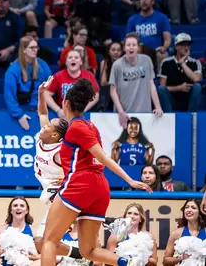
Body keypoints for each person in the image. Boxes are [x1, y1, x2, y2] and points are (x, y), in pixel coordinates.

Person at [39, 78, 151, 266]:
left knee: (48, 240)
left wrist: (130, 180)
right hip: (99, 187)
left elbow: (104, 158)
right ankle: (126, 262)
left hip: (80, 182)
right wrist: (41, 94)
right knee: (88, 250)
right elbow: (43, 114)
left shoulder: (75, 129)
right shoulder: (89, 126)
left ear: (65, 103)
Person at [33, 76, 83, 262]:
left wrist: (64, 184)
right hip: (51, 192)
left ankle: (110, 222)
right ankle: (81, 255)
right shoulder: (43, 137)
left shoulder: (60, 151)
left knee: (45, 243)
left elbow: (79, 169)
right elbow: (42, 114)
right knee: (40, 243)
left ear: (55, 135)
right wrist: (41, 94)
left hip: (63, 196)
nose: (44, 125)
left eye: (48, 126)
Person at [164, 199, 206, 265]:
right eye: (186, 207)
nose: (189, 210)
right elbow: (166, 260)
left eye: (193, 208)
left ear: (200, 211)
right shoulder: (176, 234)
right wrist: (180, 258)